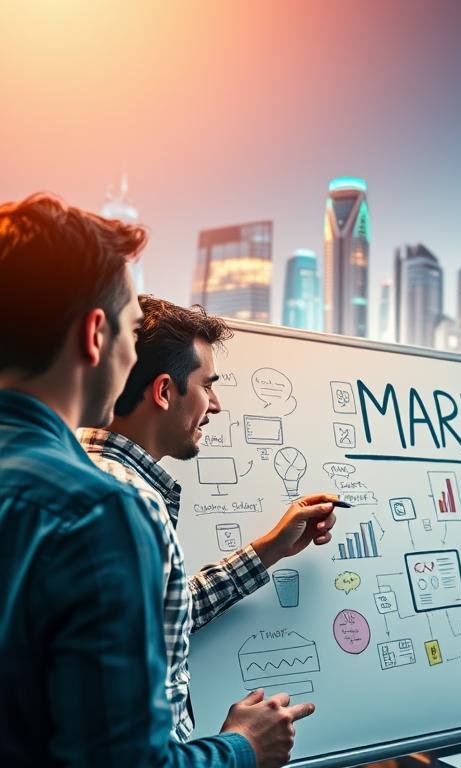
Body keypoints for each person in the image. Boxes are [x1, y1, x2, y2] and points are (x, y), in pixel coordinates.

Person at [0, 193, 313, 767]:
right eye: (130, 330)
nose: (130, 355)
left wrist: (267, 549)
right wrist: (242, 749)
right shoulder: (103, 509)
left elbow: (146, 614)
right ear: (96, 335)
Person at [78, 294, 339, 742]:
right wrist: (240, 749)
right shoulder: (125, 503)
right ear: (164, 391)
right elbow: (127, 740)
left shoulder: (85, 475)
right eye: (207, 386)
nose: (215, 405)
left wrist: (268, 550)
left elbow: (163, 617)